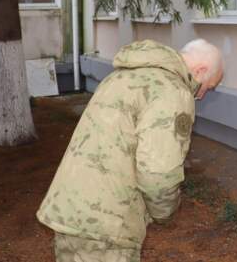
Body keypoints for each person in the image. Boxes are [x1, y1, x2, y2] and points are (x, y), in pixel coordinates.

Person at [37, 39, 223, 262]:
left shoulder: (121, 77)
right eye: (207, 88)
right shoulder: (172, 91)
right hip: (106, 226)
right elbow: (157, 174)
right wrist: (165, 212)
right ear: (200, 71)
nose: (200, 96)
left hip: (70, 210)